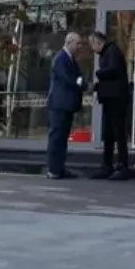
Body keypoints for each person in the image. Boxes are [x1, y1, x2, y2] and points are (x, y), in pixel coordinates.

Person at [88, 31, 130, 180]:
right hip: (109, 98)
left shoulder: (113, 51)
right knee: (109, 133)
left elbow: (114, 70)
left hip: (116, 99)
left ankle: (122, 165)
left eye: (92, 44)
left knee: (118, 132)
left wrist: (99, 73)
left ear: (98, 42)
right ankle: (107, 165)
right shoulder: (106, 54)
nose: (92, 48)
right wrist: (98, 87)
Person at [45, 32, 85, 180]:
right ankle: (53, 169)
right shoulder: (60, 59)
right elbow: (68, 79)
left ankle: (59, 167)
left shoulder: (70, 59)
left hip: (66, 104)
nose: (80, 46)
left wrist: (80, 82)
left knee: (62, 138)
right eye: (78, 43)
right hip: (59, 104)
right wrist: (80, 84)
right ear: (69, 42)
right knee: (56, 137)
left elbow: (78, 77)